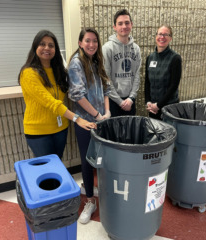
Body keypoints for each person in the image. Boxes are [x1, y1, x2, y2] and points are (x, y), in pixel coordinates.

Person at [18, 30, 96, 159]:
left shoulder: (58, 71)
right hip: (39, 133)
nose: (47, 48)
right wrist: (78, 119)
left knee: (57, 166)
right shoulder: (28, 73)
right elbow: (51, 102)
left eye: (51, 45)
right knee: (47, 171)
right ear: (35, 47)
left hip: (60, 129)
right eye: (42, 44)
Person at [68, 27, 110, 224]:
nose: (92, 44)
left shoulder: (97, 61)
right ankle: (90, 202)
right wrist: (97, 115)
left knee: (101, 158)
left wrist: (107, 113)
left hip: (101, 118)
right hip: (86, 121)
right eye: (87, 41)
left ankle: (97, 189)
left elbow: (106, 88)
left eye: (95, 41)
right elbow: (77, 95)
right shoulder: (76, 64)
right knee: (87, 159)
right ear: (80, 43)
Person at [102, 9, 141, 117]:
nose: (124, 26)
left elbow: (137, 75)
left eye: (127, 23)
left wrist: (131, 98)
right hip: (113, 101)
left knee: (130, 132)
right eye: (120, 23)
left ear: (131, 25)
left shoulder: (136, 49)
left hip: (130, 101)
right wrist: (119, 101)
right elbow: (106, 78)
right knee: (114, 133)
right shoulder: (107, 48)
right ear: (115, 27)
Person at [145, 25, 182, 120]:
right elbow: (147, 82)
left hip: (169, 108)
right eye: (160, 34)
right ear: (156, 36)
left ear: (170, 38)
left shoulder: (175, 58)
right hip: (152, 108)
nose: (162, 37)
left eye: (166, 34)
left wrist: (158, 105)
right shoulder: (150, 57)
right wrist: (148, 102)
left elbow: (174, 85)